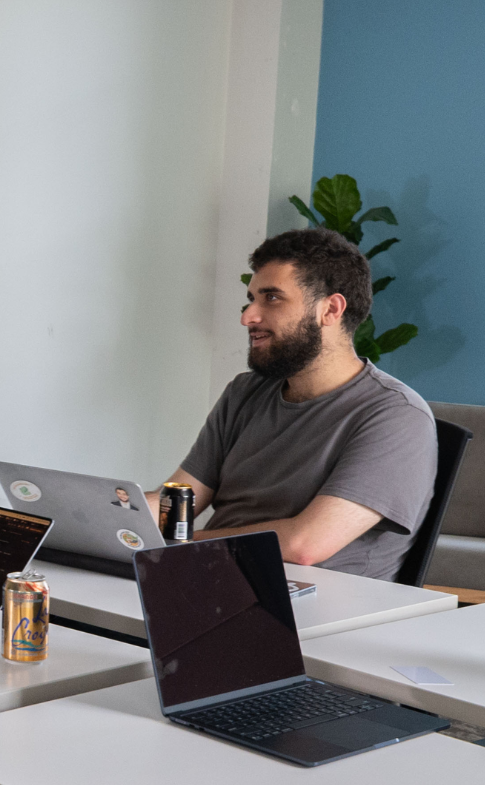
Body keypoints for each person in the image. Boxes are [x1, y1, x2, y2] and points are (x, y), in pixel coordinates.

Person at [154, 228, 436, 581]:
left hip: (308, 607)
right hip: (210, 577)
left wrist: (177, 547)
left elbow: (306, 545)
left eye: (271, 298)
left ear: (330, 309)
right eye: (251, 298)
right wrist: (110, 525)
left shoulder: (396, 417)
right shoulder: (245, 392)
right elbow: (179, 499)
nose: (248, 317)